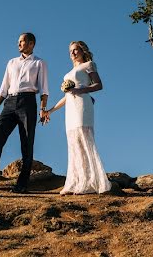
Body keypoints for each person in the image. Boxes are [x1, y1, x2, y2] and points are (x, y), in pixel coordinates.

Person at [0, 32, 49, 193]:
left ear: (31, 44)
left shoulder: (39, 63)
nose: (19, 44)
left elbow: (44, 89)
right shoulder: (11, 62)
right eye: (18, 41)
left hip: (28, 102)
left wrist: (43, 109)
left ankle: (22, 184)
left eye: (22, 41)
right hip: (9, 102)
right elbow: (4, 87)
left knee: (27, 143)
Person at [41, 40, 112, 194]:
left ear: (82, 50)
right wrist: (50, 111)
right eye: (70, 51)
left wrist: (81, 90)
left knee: (84, 139)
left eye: (75, 50)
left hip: (83, 105)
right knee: (74, 143)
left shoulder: (88, 65)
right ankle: (76, 182)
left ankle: (91, 183)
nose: (72, 53)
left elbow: (99, 85)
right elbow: (66, 96)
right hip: (71, 109)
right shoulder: (69, 73)